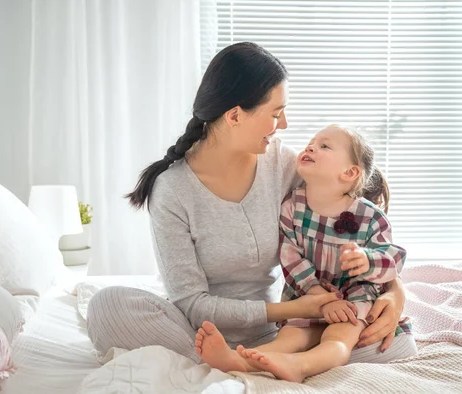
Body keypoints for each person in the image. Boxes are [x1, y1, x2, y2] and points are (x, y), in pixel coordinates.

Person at [86, 42, 417, 368]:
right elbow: (191, 304)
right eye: (275, 113)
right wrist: (305, 309)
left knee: (397, 341)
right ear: (234, 116)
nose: (284, 124)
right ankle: (245, 360)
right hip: (198, 329)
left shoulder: (284, 166)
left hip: (281, 331)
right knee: (108, 305)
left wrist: (394, 291)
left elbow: (357, 213)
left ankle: (250, 361)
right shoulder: (172, 190)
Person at [195, 124, 415, 382]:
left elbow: (392, 260)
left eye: (324, 146)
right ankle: (239, 360)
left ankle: (300, 365)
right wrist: (318, 295)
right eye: (311, 142)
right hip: (309, 293)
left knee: (338, 338)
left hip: (355, 296)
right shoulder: (292, 206)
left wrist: (367, 260)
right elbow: (291, 257)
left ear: (349, 172)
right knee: (292, 335)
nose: (311, 146)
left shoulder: (371, 217)